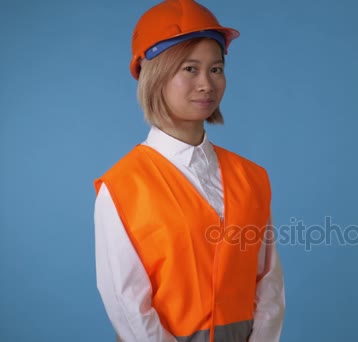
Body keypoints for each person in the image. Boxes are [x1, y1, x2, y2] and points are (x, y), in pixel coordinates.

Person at [93, 1, 285, 341]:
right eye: (190, 69)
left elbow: (268, 283)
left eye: (216, 69)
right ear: (155, 76)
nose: (207, 84)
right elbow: (127, 304)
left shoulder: (252, 178)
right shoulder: (123, 187)